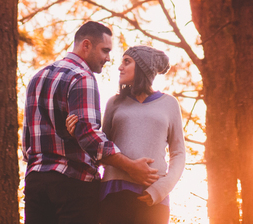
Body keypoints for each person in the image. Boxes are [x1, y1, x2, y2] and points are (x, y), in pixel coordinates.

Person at [23, 21, 160, 224]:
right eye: (105, 50)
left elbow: (27, 144)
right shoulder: (81, 77)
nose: (108, 58)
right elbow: (89, 136)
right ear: (86, 45)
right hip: (73, 185)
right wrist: (130, 166)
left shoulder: (37, 77)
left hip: (35, 183)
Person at [67, 45, 186, 224]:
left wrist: (160, 189)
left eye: (127, 62)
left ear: (142, 67)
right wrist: (76, 133)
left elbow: (178, 153)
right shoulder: (114, 103)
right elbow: (100, 149)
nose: (120, 67)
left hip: (153, 198)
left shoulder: (169, 104)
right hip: (113, 194)